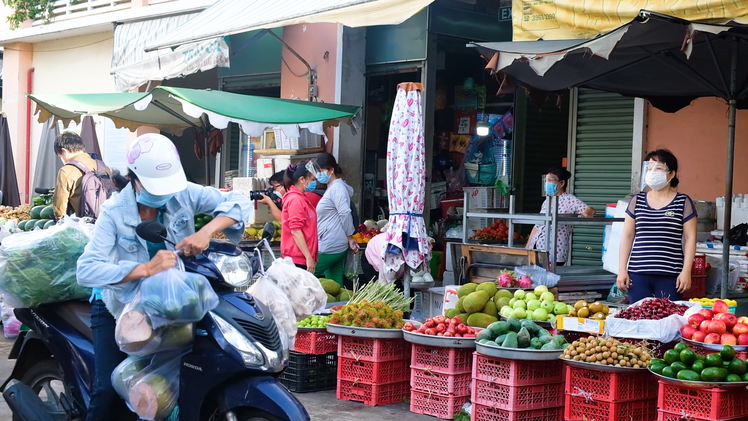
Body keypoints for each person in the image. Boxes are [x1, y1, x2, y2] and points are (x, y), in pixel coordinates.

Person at [76, 133, 251, 421]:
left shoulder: (182, 193)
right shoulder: (113, 212)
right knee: (107, 388)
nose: (163, 194)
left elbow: (237, 202)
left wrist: (205, 232)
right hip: (121, 308)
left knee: (183, 381)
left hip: (173, 305)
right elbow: (87, 269)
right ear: (135, 179)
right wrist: (145, 269)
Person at [616, 149, 697, 302]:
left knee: (669, 320)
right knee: (639, 318)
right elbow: (627, 236)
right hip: (638, 273)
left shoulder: (683, 202)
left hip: (671, 275)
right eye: (649, 168)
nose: (652, 172)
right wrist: (621, 270)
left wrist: (686, 271)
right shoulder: (637, 201)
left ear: (671, 174)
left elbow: (690, 238)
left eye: (658, 168)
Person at [526, 168, 595, 266]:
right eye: (546, 180)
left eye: (550, 180)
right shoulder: (547, 201)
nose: (547, 183)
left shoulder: (570, 200)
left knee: (549, 279)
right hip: (537, 248)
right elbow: (537, 226)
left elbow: (589, 211)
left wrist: (588, 212)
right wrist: (528, 247)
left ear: (561, 183)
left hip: (555, 250)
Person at [308, 154, 358, 286]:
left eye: (321, 171)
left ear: (331, 170)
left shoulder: (337, 188)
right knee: (334, 283)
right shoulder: (333, 188)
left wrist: (350, 236)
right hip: (335, 242)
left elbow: (345, 213)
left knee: (306, 277)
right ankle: (339, 306)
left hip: (330, 244)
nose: (318, 175)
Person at [52, 132, 111, 219]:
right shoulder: (104, 167)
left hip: (82, 225)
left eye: (60, 156)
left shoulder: (66, 171)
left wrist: (59, 220)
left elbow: (60, 208)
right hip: (106, 222)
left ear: (64, 151)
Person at [281, 163, 318, 273]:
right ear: (302, 179)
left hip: (301, 257)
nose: (314, 182)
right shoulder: (296, 200)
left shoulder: (301, 198)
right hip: (298, 259)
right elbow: (296, 231)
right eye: (312, 179)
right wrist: (308, 256)